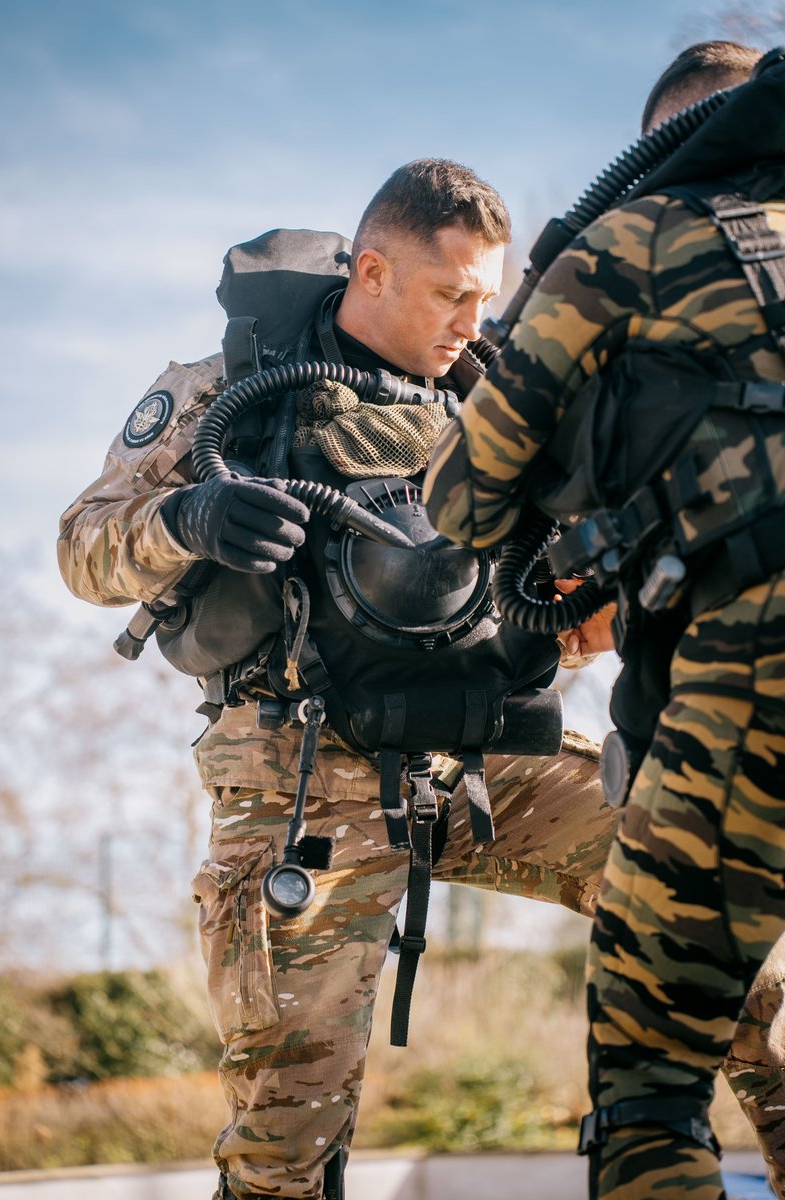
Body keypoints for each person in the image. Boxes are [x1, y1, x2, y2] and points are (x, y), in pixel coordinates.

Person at [59, 155, 773, 1200]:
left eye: (487, 297)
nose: (473, 323)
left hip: (488, 758)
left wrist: (619, 600)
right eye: (451, 294)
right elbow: (81, 550)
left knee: (720, 921)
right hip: (304, 779)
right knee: (283, 1144)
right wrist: (188, 517)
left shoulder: (496, 404)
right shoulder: (226, 389)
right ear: (373, 272)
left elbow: (559, 613)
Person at [425, 42, 785, 1200]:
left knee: (648, 1090)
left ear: (667, 139)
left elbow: (459, 499)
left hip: (750, 688)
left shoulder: (634, 242)